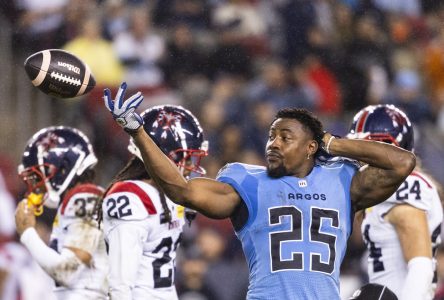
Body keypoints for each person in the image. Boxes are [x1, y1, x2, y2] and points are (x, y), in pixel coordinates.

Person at [102, 82, 416, 299]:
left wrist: (334, 143)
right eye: (270, 136)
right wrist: (138, 132)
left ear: (311, 147)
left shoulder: (341, 179)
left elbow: (402, 163)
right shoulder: (248, 181)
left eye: (285, 137)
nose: (273, 143)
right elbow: (182, 190)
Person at [100, 103, 208, 299]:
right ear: (162, 156)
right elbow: (120, 285)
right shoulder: (130, 197)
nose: (191, 167)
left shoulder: (170, 196)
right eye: (187, 158)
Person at [347, 104, 443, 300]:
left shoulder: (403, 187)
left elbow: (421, 268)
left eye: (372, 147)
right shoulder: (379, 193)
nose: (363, 156)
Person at [14, 126, 108, 300]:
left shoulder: (86, 199)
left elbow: (67, 271)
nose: (37, 186)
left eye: (39, 177)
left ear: (61, 170)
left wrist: (27, 232)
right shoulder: (77, 201)